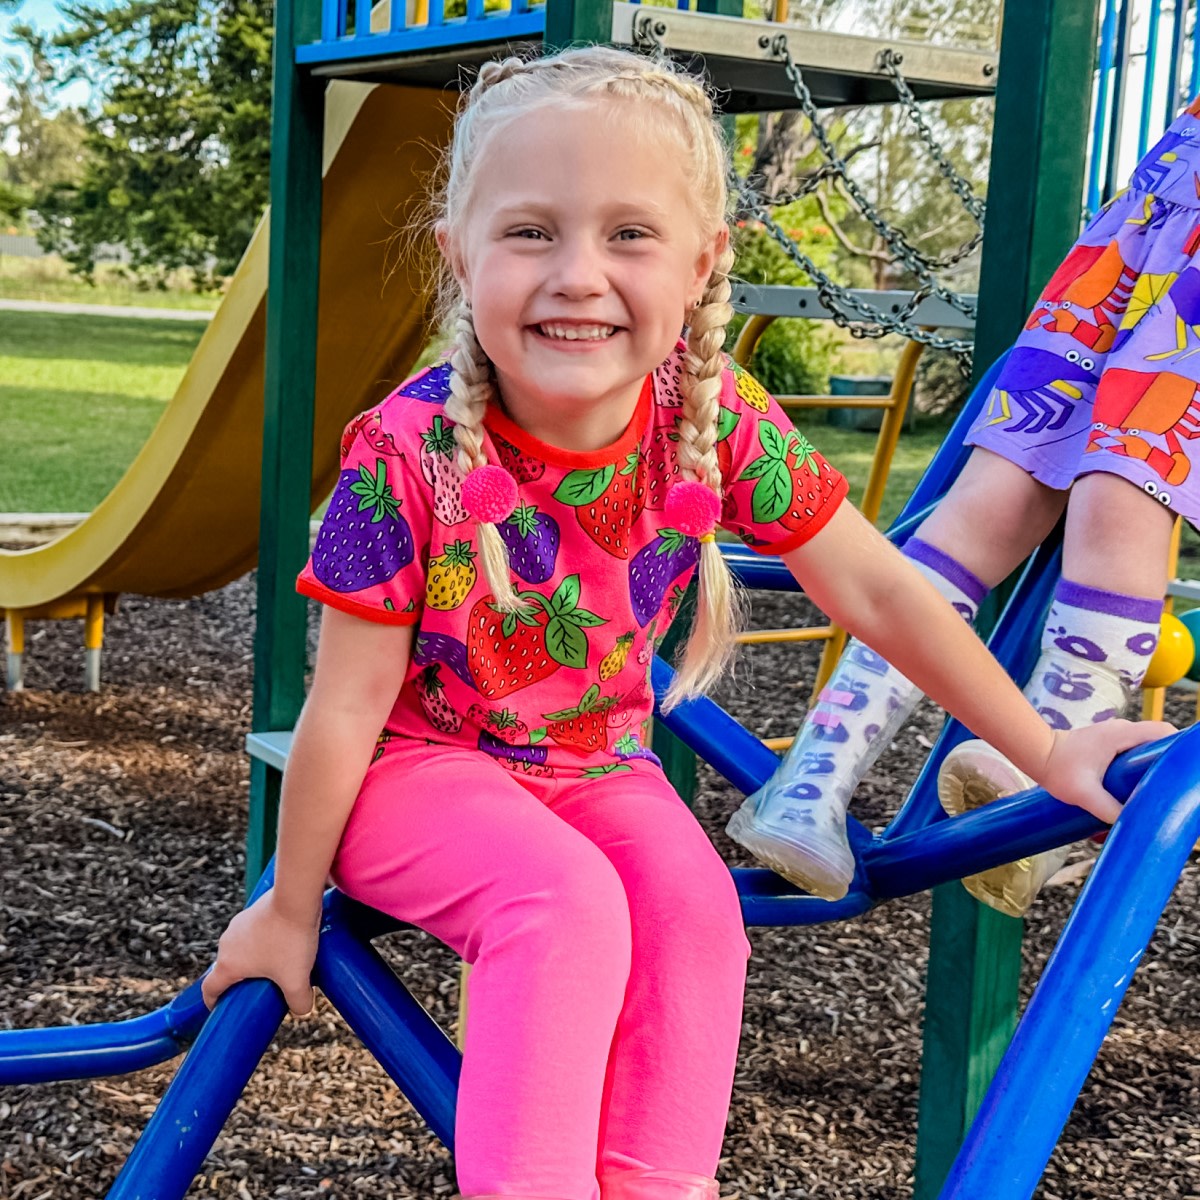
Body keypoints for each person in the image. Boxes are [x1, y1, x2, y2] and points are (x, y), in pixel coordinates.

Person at [201, 46, 1168, 1200]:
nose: (577, 275)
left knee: (695, 913)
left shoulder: (708, 419)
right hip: (412, 769)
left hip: (596, 763)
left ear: (705, 264)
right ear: (459, 258)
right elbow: (345, 704)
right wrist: (287, 905)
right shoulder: (402, 456)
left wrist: (1046, 749)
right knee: (559, 909)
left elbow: (881, 590)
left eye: (628, 235)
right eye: (530, 233)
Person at [728, 97, 1198, 915]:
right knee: (1123, 501)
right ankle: (1037, 808)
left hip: (1141, 234)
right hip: (1168, 257)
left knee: (991, 507)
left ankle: (809, 783)